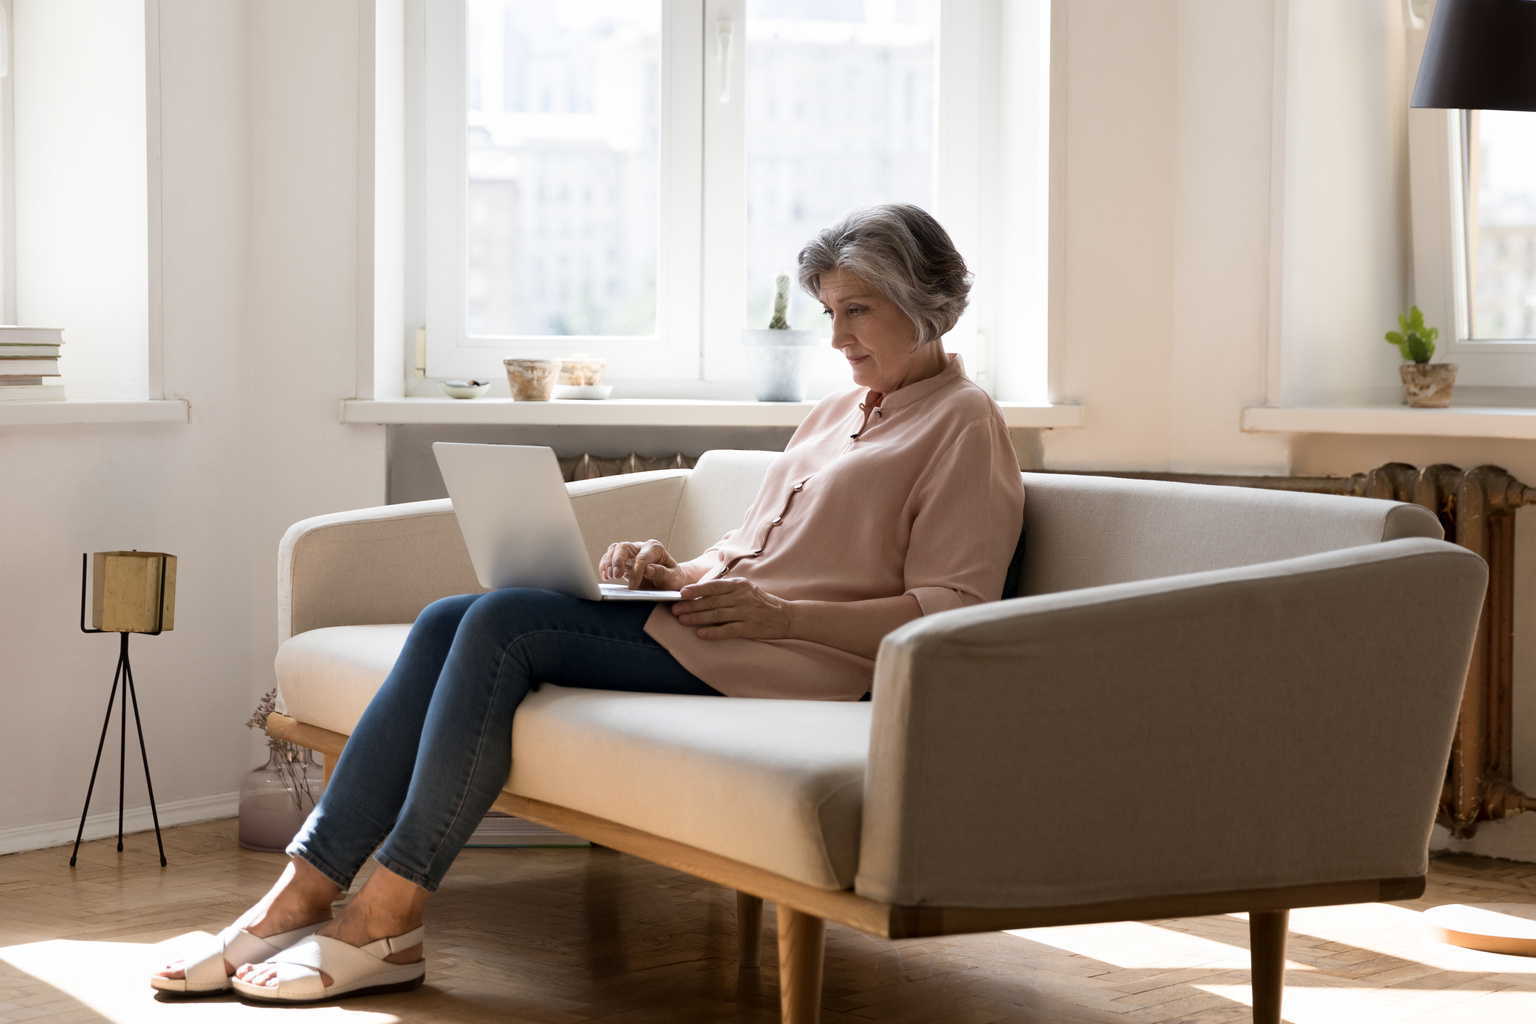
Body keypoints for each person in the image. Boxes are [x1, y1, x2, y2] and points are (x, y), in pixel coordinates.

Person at [151, 203, 1025, 1003]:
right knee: (450, 615)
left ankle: (389, 913)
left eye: (857, 310)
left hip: (801, 663)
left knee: (502, 622)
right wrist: (670, 568)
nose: (837, 337)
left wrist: (783, 618)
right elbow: (755, 551)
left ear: (928, 303)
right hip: (722, 629)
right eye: (829, 312)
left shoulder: (964, 424)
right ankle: (302, 891)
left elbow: (951, 607)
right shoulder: (836, 412)